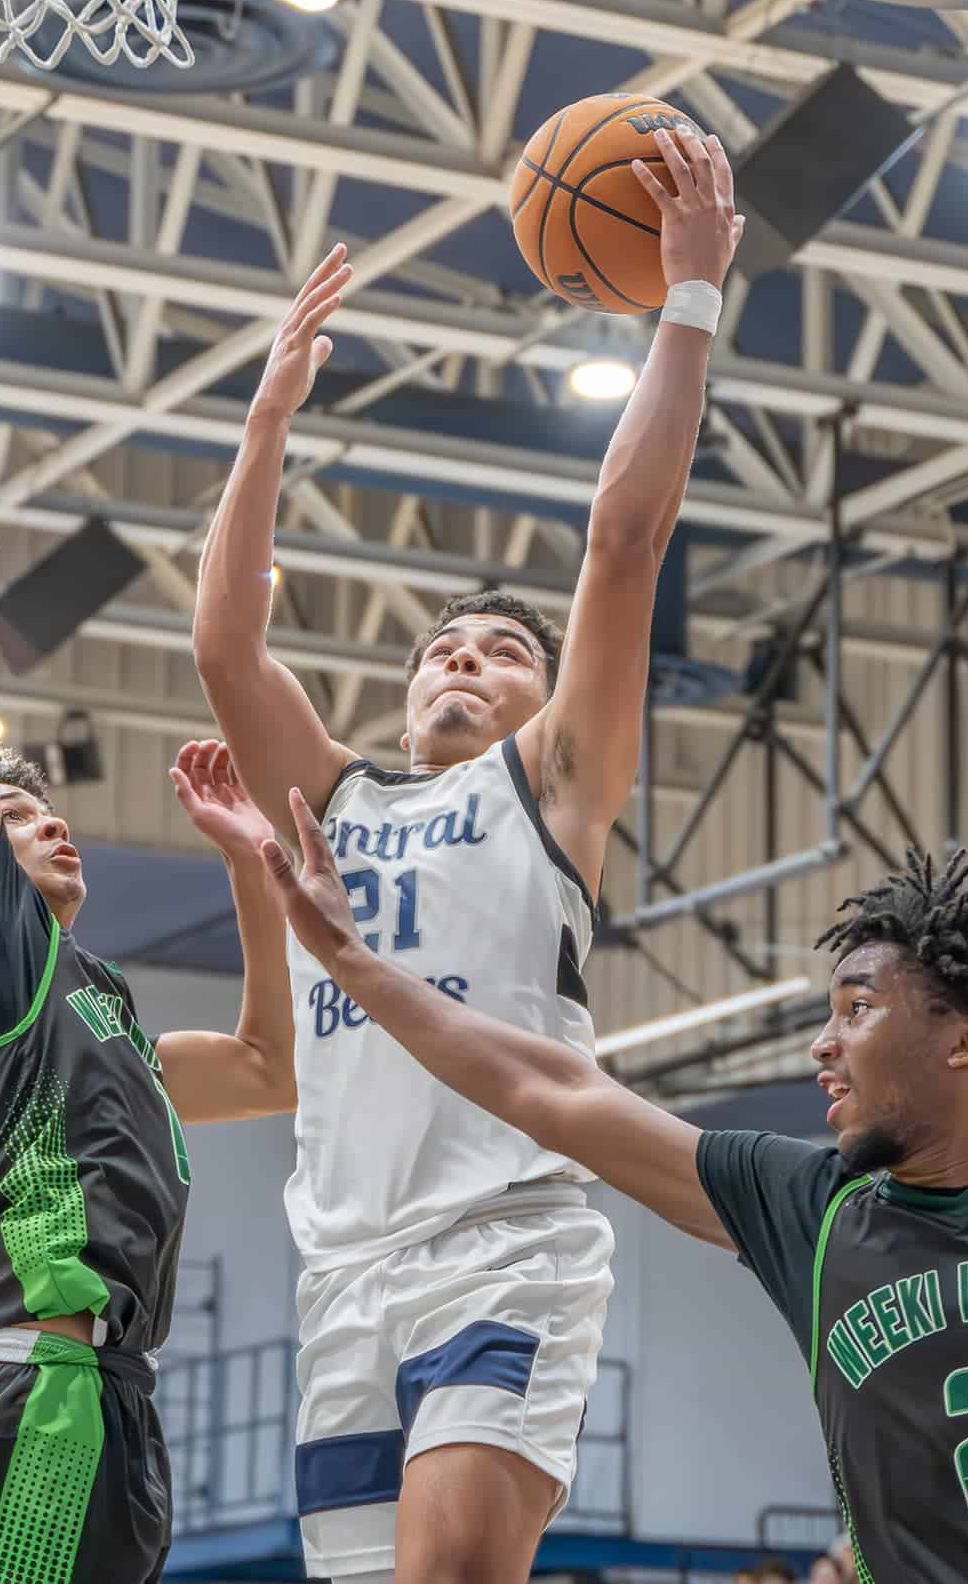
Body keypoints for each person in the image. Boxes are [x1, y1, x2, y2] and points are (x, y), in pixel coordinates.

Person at [194, 125, 743, 1584]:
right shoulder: (332, 800)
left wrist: (684, 297)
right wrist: (265, 424)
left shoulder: (551, 781)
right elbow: (224, 642)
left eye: (501, 650)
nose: (462, 659)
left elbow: (621, 542)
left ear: (538, 696)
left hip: (502, 1236)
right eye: (441, 644)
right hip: (344, 1274)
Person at [262, 810, 968, 1584]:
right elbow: (557, 1092)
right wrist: (352, 961)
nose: (823, 1045)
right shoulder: (814, 1210)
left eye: (856, 1009)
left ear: (966, 1043)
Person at [0, 409, 297, 1583]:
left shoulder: (93, 1004)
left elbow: (267, 1068)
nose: (49, 814)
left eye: (50, 802)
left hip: (117, 1407)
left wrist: (253, 865)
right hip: (39, 1391)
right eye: (13, 811)